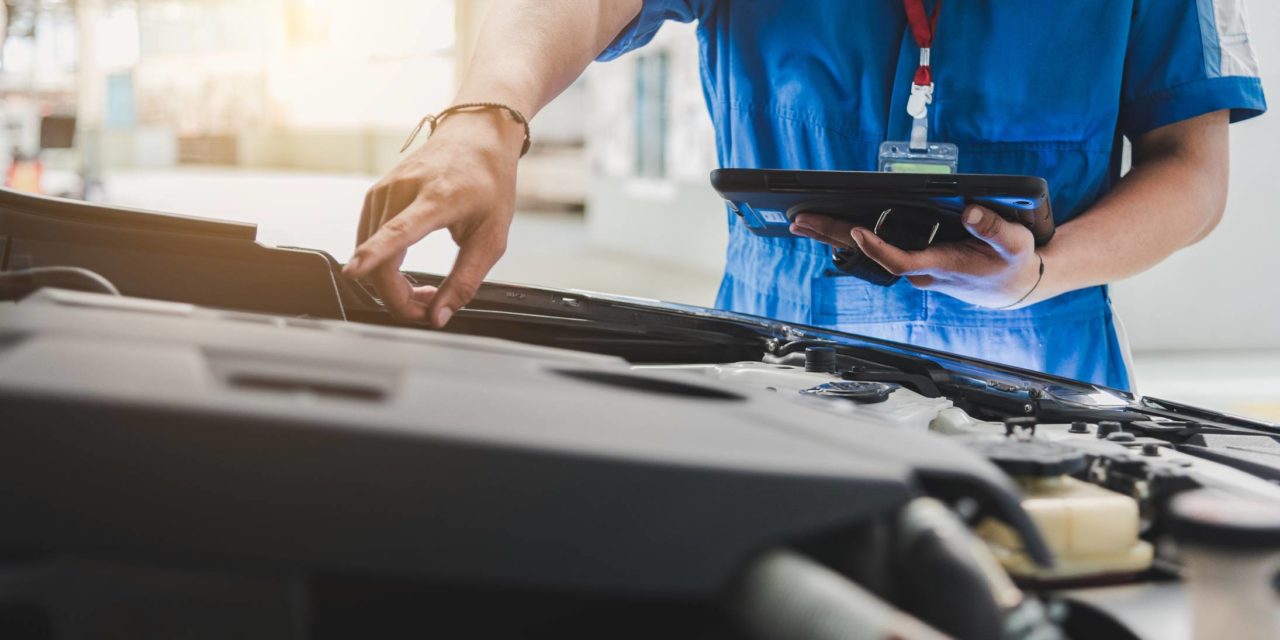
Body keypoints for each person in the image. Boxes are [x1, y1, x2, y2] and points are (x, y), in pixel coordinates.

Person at [344, 1, 1266, 390]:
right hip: (772, 350)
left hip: (1042, 363)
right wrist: (484, 118)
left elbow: (1192, 166)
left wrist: (1039, 273)